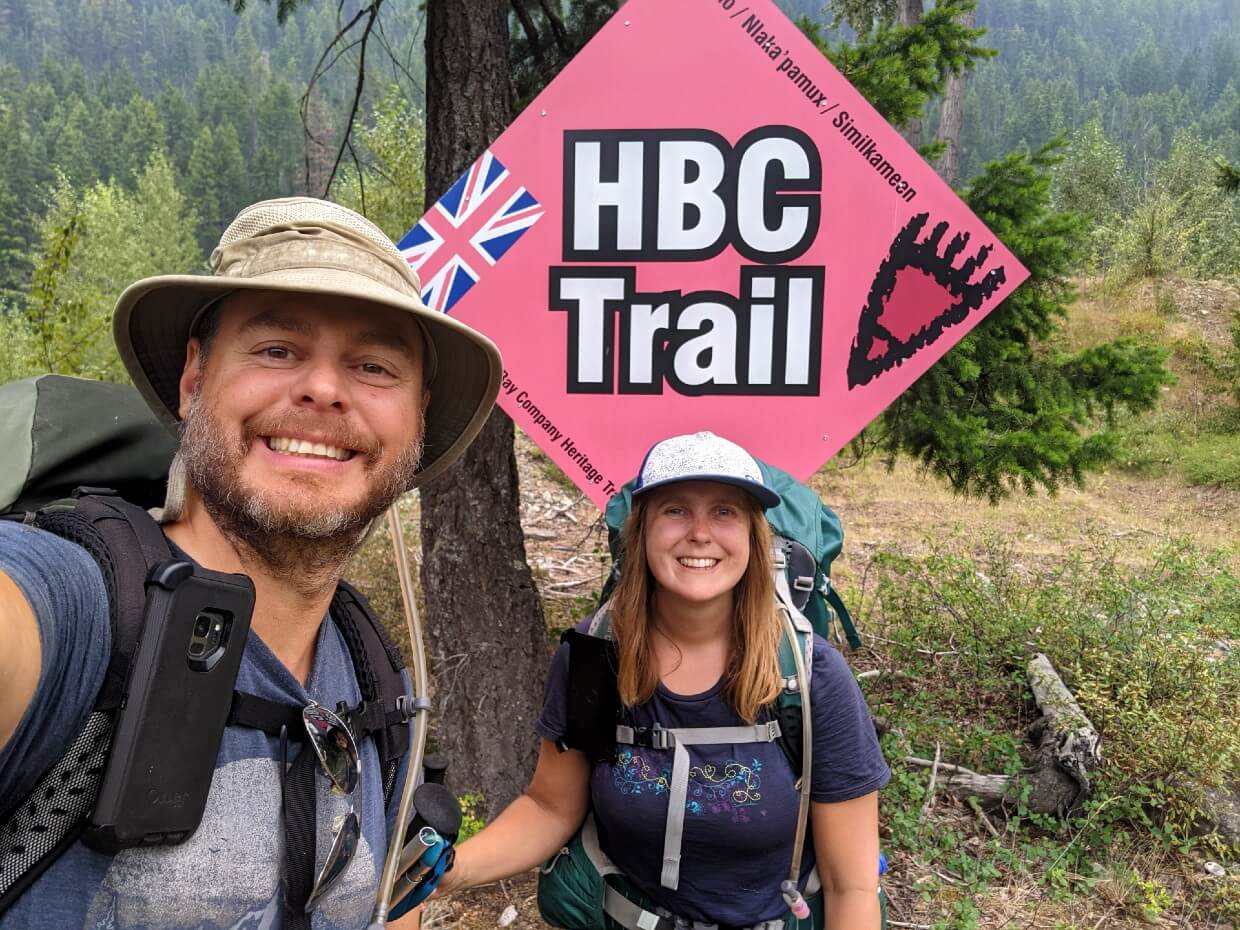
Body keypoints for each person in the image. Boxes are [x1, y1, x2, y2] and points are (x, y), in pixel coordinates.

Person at [0, 197, 502, 929]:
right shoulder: (77, 608)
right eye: (276, 349)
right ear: (194, 378)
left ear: (416, 418)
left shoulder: (376, 682)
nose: (324, 388)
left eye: (374, 366)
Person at [438, 431, 890, 930]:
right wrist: (448, 872)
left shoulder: (809, 676)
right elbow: (550, 807)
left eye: (725, 512)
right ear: (642, 531)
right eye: (676, 510)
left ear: (752, 537)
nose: (700, 533)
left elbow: (851, 887)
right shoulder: (597, 655)